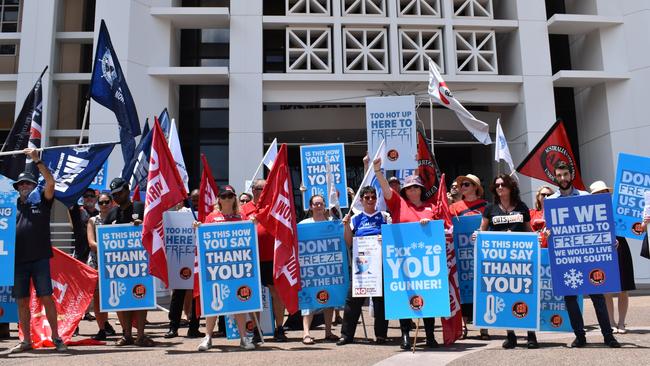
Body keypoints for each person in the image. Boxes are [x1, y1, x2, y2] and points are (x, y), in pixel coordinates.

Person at [547, 161, 620, 348]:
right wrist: (548, 234)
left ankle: (608, 336)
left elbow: (600, 224)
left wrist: (609, 240)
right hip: (566, 257)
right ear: (555, 177)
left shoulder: (586, 197)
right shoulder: (551, 202)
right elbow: (549, 229)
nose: (563, 178)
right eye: (559, 175)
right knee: (570, 298)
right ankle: (580, 336)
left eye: (565, 174)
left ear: (571, 175)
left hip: (588, 256)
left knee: (597, 296)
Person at [373, 158, 440, 349]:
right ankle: (405, 336)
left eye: (416, 188)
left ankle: (430, 336)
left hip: (426, 261)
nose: (413, 191)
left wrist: (430, 226)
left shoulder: (431, 208)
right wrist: (378, 171)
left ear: (421, 190)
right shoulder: (398, 203)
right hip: (401, 259)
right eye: (409, 188)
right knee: (404, 296)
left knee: (429, 294)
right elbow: (386, 189)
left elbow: (440, 231)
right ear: (405, 191)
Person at [9, 148, 67, 353]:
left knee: (46, 297)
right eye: (21, 184)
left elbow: (51, 183)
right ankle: (26, 341)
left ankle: (57, 338)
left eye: (27, 183)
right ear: (17, 187)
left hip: (40, 258)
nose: (24, 186)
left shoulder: (42, 200)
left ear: (34, 185)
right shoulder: (10, 204)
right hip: (17, 260)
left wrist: (36, 160)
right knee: (22, 302)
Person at [477, 174, 538, 349]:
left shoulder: (522, 207)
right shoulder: (490, 208)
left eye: (503, 184)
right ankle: (510, 335)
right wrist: (478, 235)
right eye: (497, 185)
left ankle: (531, 334)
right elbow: (482, 230)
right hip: (499, 261)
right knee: (504, 296)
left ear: (511, 187)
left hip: (521, 260)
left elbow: (528, 231)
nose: (500, 187)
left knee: (525, 295)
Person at [196, 185, 256, 351]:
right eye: (224, 196)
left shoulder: (241, 216)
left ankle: (243, 337)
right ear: (219, 199)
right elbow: (204, 241)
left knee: (240, 302)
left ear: (234, 198)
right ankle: (207, 337)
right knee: (213, 302)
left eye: (230, 196)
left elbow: (249, 240)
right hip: (216, 267)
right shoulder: (212, 217)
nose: (227, 199)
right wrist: (198, 229)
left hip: (237, 267)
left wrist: (252, 225)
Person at [103, 177, 153, 347]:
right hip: (118, 265)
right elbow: (104, 239)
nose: (117, 197)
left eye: (119, 192)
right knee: (123, 300)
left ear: (127, 190)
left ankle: (141, 335)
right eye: (114, 195)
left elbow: (153, 228)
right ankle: (126, 335)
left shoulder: (140, 207)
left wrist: (143, 225)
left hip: (139, 265)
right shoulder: (111, 214)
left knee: (140, 297)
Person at [337, 186, 389, 345]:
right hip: (361, 267)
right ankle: (346, 335)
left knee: (380, 302)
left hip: (380, 265)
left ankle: (380, 335)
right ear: (361, 200)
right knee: (352, 301)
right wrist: (346, 226)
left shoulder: (384, 216)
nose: (370, 200)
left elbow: (391, 239)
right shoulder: (355, 218)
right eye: (367, 197)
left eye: (373, 197)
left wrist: (384, 238)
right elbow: (348, 242)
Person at [241, 179, 288, 342]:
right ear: (253, 190)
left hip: (271, 258)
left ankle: (280, 328)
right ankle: (256, 331)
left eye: (264, 188)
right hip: (252, 259)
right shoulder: (244, 209)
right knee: (254, 296)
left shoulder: (274, 207)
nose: (261, 191)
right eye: (258, 188)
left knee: (277, 293)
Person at [590, 180, 636, 334]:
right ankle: (611, 322)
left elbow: (633, 226)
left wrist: (644, 223)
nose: (602, 195)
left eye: (604, 192)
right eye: (598, 193)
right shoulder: (589, 212)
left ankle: (621, 323)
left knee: (623, 288)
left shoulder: (619, 209)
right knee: (606, 288)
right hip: (601, 250)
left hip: (620, 247)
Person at [449, 174, 487, 339]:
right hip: (461, 255)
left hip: (481, 254)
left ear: (475, 187)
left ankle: (484, 328)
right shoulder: (454, 208)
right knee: (462, 289)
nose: (461, 186)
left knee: (482, 288)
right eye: (460, 184)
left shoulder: (487, 206)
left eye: (465, 184)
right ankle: (463, 327)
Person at [298, 194, 339, 345]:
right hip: (309, 270)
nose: (318, 206)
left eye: (321, 203)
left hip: (328, 268)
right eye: (315, 204)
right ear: (310, 206)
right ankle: (306, 333)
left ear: (324, 205)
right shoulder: (303, 224)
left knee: (330, 300)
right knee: (308, 302)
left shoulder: (332, 223)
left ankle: (328, 332)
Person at [165, 189, 204, 339]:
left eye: (198, 199)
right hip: (182, 258)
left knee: (196, 296)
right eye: (193, 199)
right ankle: (173, 327)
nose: (195, 201)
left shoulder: (207, 213)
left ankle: (193, 327)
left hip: (199, 260)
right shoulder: (183, 212)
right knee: (178, 294)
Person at [86, 192, 117, 340]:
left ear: (112, 203)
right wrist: (109, 247)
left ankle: (125, 328)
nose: (104, 205)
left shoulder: (118, 218)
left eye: (106, 202)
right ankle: (102, 328)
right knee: (98, 298)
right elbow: (91, 243)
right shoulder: (93, 220)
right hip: (97, 262)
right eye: (101, 203)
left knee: (117, 295)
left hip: (115, 262)